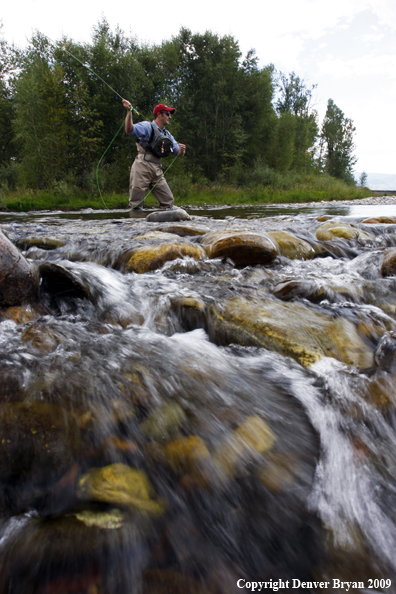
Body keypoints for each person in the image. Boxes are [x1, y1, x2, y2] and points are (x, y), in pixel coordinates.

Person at [122, 99, 186, 210]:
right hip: (142, 166)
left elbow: (178, 153)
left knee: (168, 202)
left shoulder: (167, 135)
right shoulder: (147, 126)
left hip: (157, 168)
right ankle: (134, 226)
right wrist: (129, 112)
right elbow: (129, 129)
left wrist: (182, 150)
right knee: (136, 204)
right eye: (167, 113)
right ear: (159, 114)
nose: (169, 116)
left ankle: (161, 227)